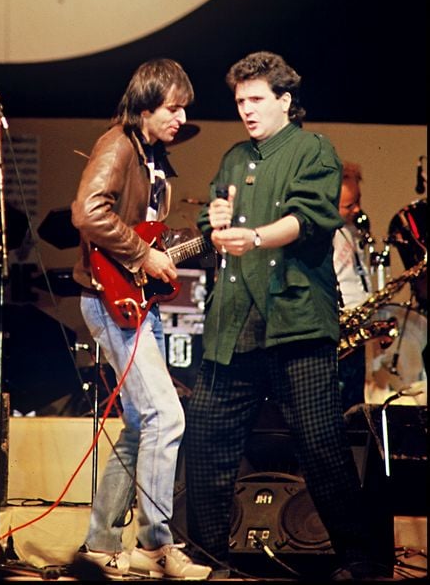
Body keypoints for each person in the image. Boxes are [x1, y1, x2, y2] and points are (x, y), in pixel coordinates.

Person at [184, 51, 393, 581]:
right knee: (209, 442)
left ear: (284, 100)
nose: (247, 110)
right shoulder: (233, 157)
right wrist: (214, 219)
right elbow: (215, 221)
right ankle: (210, 560)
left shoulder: (312, 148)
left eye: (257, 100)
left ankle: (362, 561)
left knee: (321, 444)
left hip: (294, 320)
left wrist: (253, 235)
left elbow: (309, 219)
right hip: (234, 325)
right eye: (240, 102)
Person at [70, 58, 212, 581]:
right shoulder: (119, 144)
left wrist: (166, 250)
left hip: (134, 302)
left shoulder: (152, 156)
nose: (180, 118)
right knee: (167, 417)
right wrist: (141, 255)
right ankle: (155, 548)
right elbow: (87, 211)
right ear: (147, 102)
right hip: (111, 302)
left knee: (138, 427)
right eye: (173, 108)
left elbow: (142, 228)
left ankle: (100, 544)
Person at [333, 162, 373, 413]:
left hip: (358, 322)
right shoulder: (324, 237)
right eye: (349, 205)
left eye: (357, 201)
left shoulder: (350, 231)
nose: (357, 209)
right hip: (341, 326)